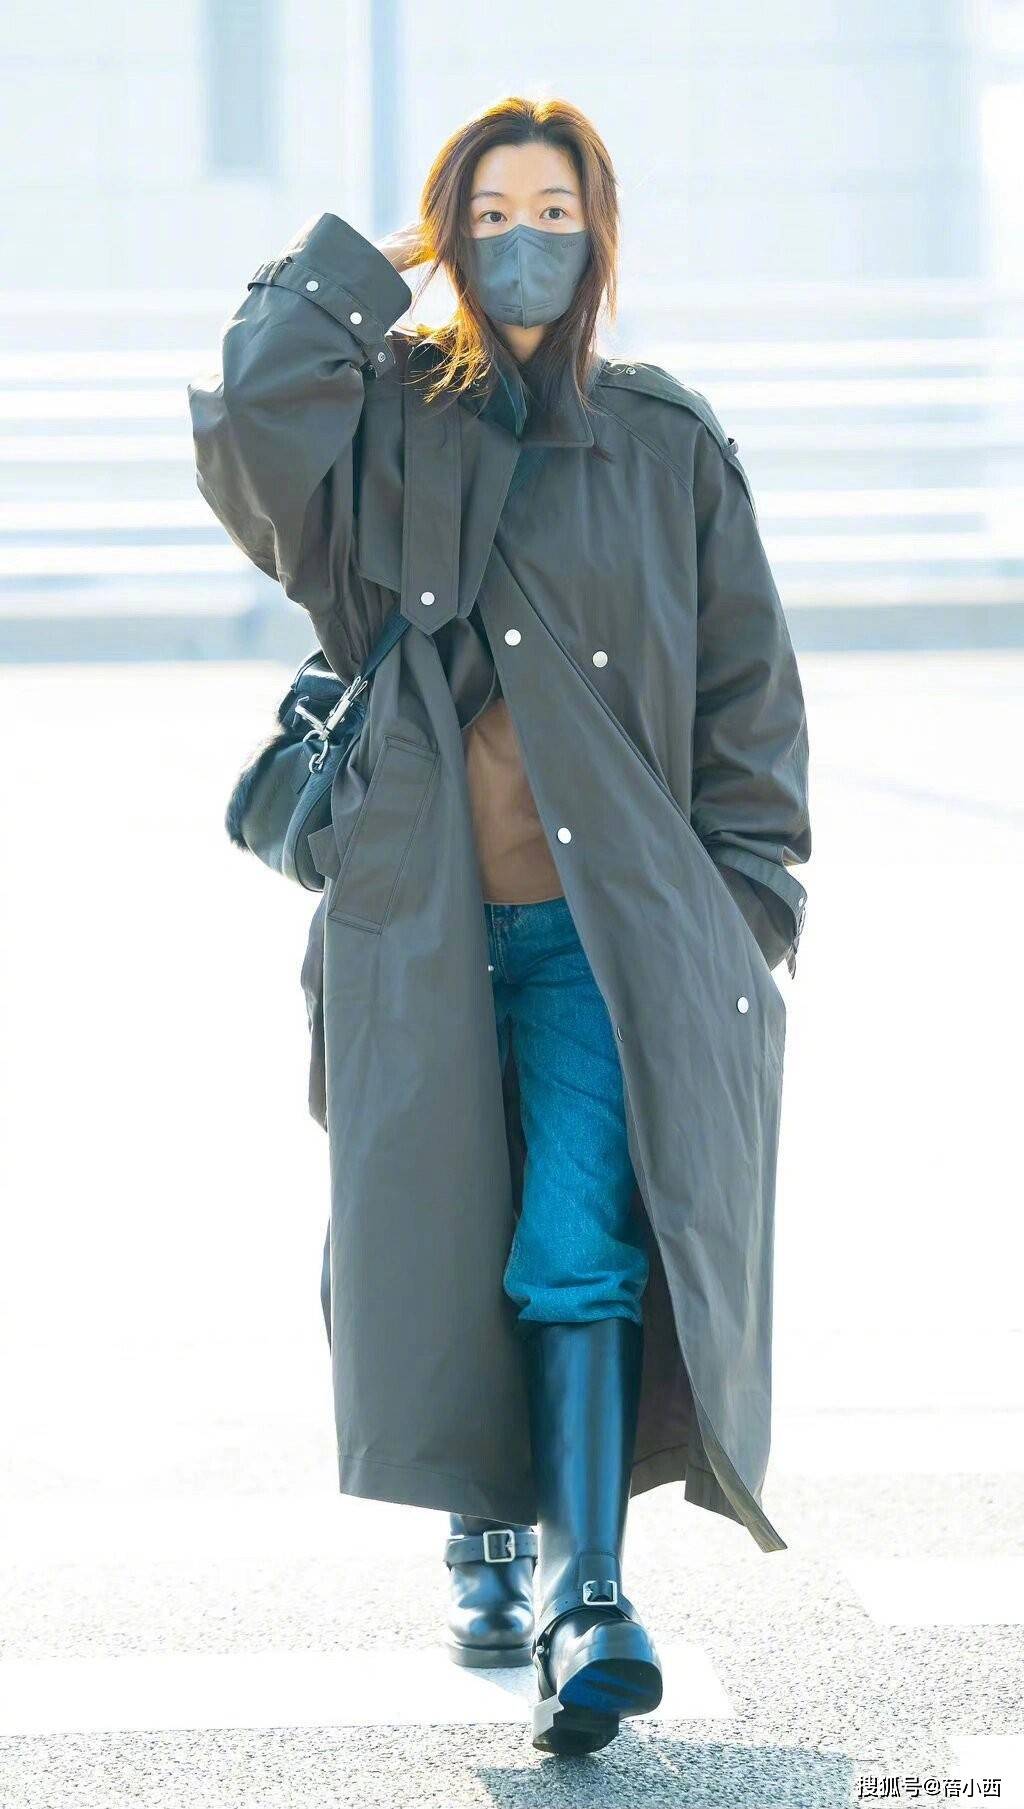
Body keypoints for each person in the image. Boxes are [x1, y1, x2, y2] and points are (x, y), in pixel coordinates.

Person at [188, 95, 811, 1758]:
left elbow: (749, 697)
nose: (522, 239)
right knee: (447, 1237)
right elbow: (247, 426)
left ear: (598, 232)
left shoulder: (667, 443)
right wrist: (362, 270)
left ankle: (587, 1595)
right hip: (420, 930)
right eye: (489, 212)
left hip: (613, 942)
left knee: (579, 1242)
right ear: (449, 234)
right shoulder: (385, 418)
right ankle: (486, 1532)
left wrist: (741, 910)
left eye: (552, 210)